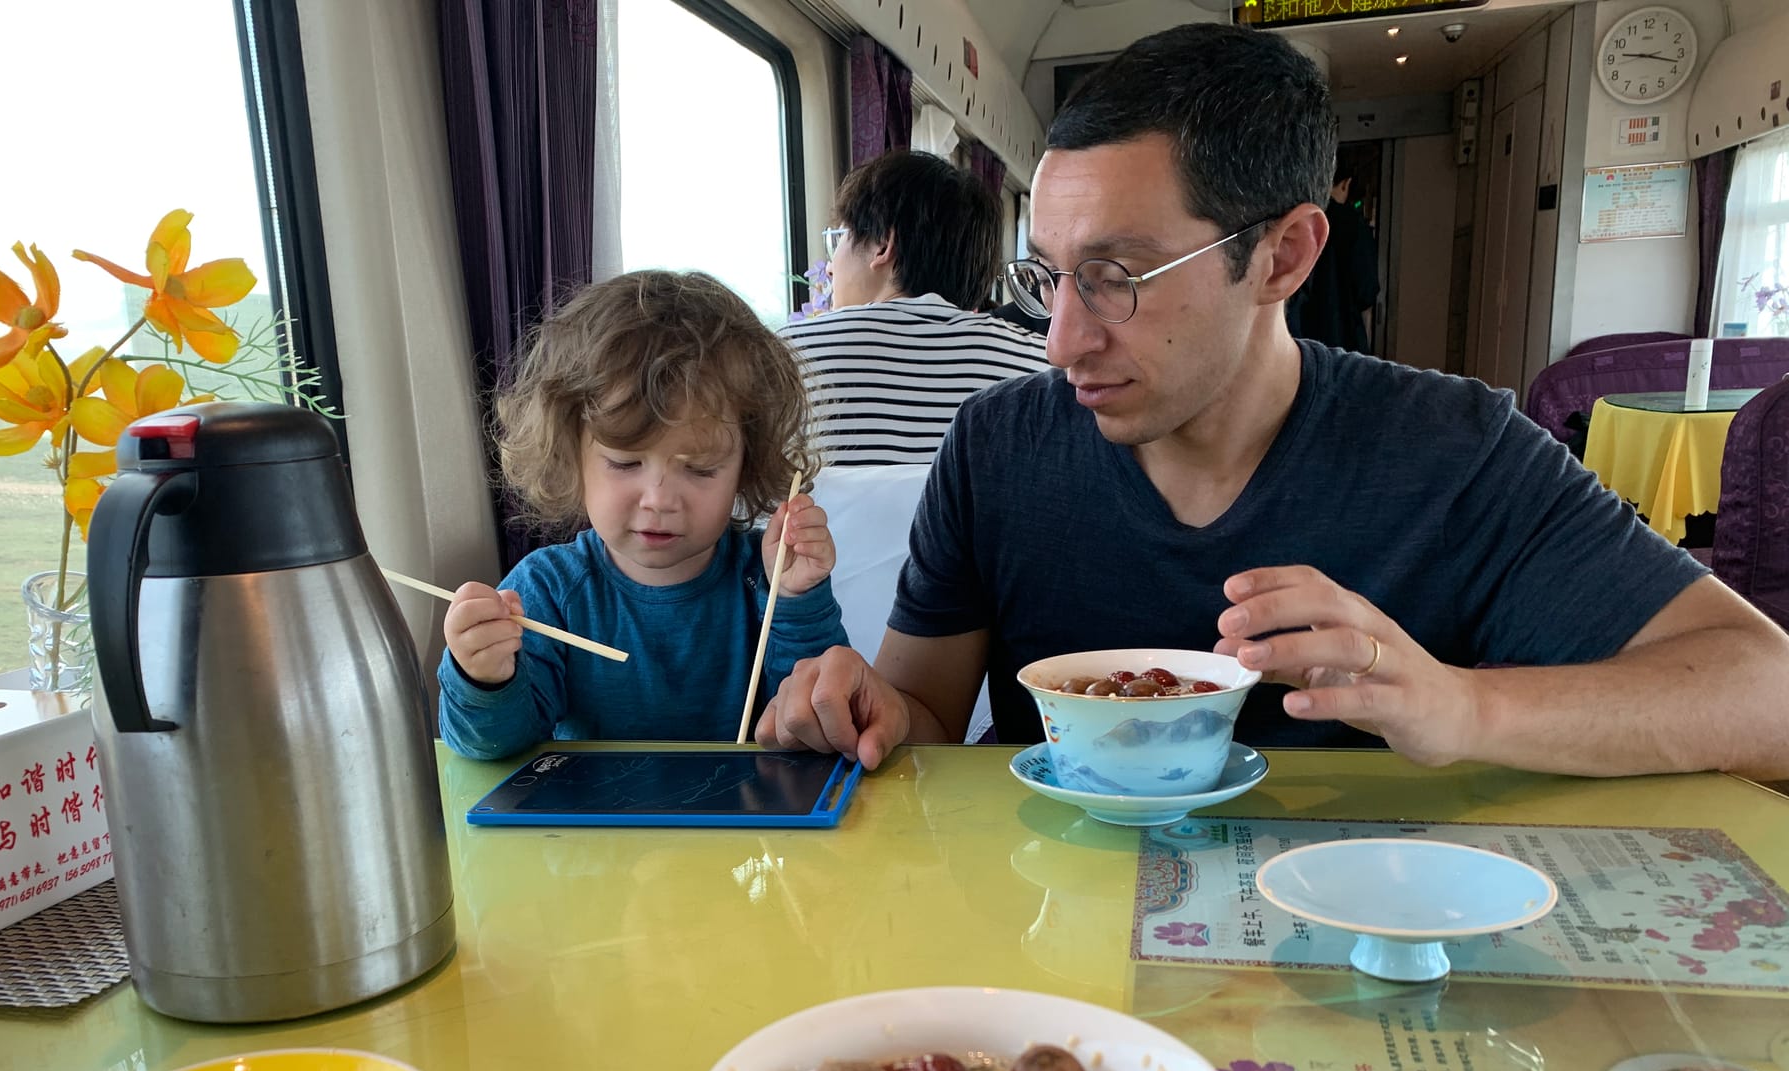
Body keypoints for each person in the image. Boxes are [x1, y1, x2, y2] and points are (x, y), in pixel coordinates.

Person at [757, 23, 1789, 782]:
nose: (1062, 340)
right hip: (1057, 938)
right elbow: (928, 721)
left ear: (1283, 255)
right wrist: (863, 707)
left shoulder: (1451, 451)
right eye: (1047, 278)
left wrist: (1461, 704)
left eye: (1117, 273)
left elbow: (1762, 690)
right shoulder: (997, 448)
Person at [439, 271, 847, 759]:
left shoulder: (765, 575)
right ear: (571, 454)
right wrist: (482, 675)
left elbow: (816, 721)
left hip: (749, 827)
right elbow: (494, 747)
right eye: (625, 462)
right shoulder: (548, 590)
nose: (658, 499)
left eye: (700, 469)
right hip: (595, 832)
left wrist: (796, 598)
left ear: (746, 467)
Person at [780, 149, 1048, 465]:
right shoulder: (1042, 369)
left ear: (882, 244)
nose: (829, 268)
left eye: (838, 239)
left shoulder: (786, 359)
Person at [1292, 167, 1379, 353]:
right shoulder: (1354, 224)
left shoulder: (1298, 222)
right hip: (1344, 336)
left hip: (1301, 338)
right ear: (1346, 183)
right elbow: (1366, 291)